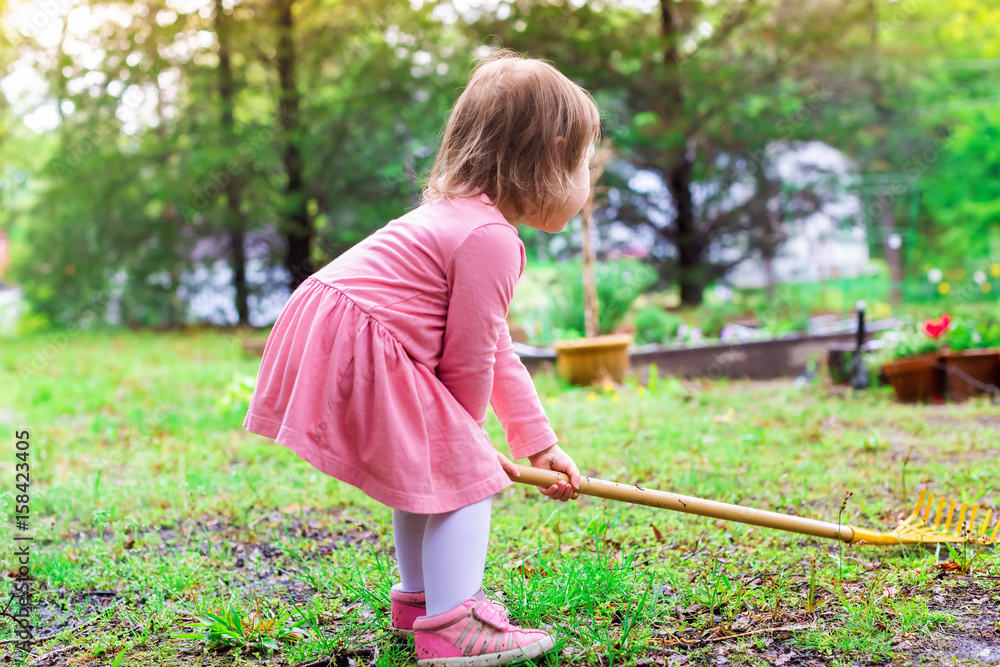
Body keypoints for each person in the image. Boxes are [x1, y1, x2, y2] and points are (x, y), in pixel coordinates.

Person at [243, 49, 599, 667]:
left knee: (427, 472)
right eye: (586, 161)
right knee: (460, 477)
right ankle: (455, 627)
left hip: (338, 328)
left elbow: (492, 346)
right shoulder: (488, 238)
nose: (588, 180)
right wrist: (469, 444)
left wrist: (536, 442)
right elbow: (468, 363)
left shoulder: (461, 221)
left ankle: (421, 601)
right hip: (360, 337)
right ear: (552, 155)